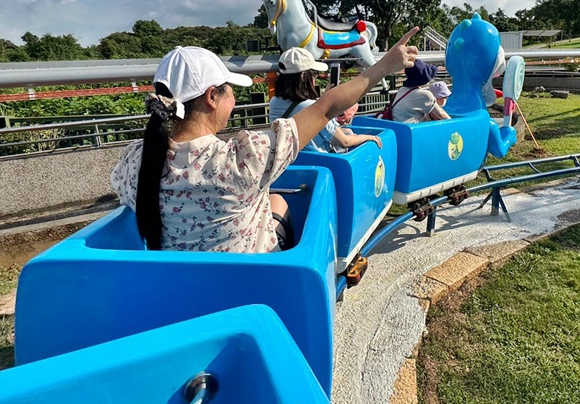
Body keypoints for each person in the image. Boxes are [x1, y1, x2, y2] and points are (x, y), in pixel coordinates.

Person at [111, 30, 418, 253]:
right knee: (279, 201)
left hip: (180, 294)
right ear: (211, 97)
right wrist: (383, 66)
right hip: (249, 288)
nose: (233, 96)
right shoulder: (244, 160)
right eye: (229, 89)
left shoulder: (135, 161)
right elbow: (326, 107)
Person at [268, 47, 382, 153]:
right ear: (303, 76)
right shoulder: (313, 108)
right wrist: (369, 137)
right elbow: (345, 142)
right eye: (314, 74)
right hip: (320, 160)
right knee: (351, 136)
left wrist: (323, 101)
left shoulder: (274, 101)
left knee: (348, 132)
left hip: (291, 159)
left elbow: (299, 109)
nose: (314, 78)